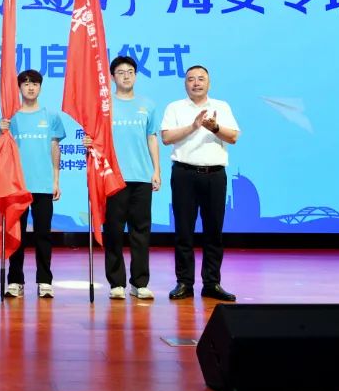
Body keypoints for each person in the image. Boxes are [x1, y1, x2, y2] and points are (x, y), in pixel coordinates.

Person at [160, 65, 239, 302]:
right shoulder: (175, 107)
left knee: (213, 231)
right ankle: (184, 282)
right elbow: (166, 138)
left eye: (201, 79)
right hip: (184, 174)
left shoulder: (221, 107)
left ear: (209, 83)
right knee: (183, 231)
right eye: (191, 79)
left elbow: (233, 137)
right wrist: (193, 126)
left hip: (214, 175)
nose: (196, 83)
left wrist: (215, 127)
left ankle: (212, 283)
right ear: (185, 83)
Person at [90, 56, 161, 301]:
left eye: (130, 71)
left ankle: (139, 283)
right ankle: (116, 283)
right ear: (112, 77)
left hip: (141, 176)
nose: (126, 76)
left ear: (136, 75)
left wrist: (156, 170)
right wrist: (89, 141)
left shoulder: (147, 105)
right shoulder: (104, 106)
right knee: (114, 231)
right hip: (113, 177)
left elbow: (152, 138)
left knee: (140, 231)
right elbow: (95, 136)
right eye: (120, 72)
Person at [1, 69, 64, 299]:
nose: (30, 88)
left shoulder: (51, 116)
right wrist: (2, 131)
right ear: (19, 88)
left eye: (35, 84)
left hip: (43, 185)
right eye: (26, 84)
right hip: (17, 186)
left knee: (43, 235)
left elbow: (55, 148)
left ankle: (45, 281)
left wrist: (56, 180)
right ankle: (15, 281)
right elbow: (3, 152)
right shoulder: (11, 118)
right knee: (16, 235)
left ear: (40, 87)